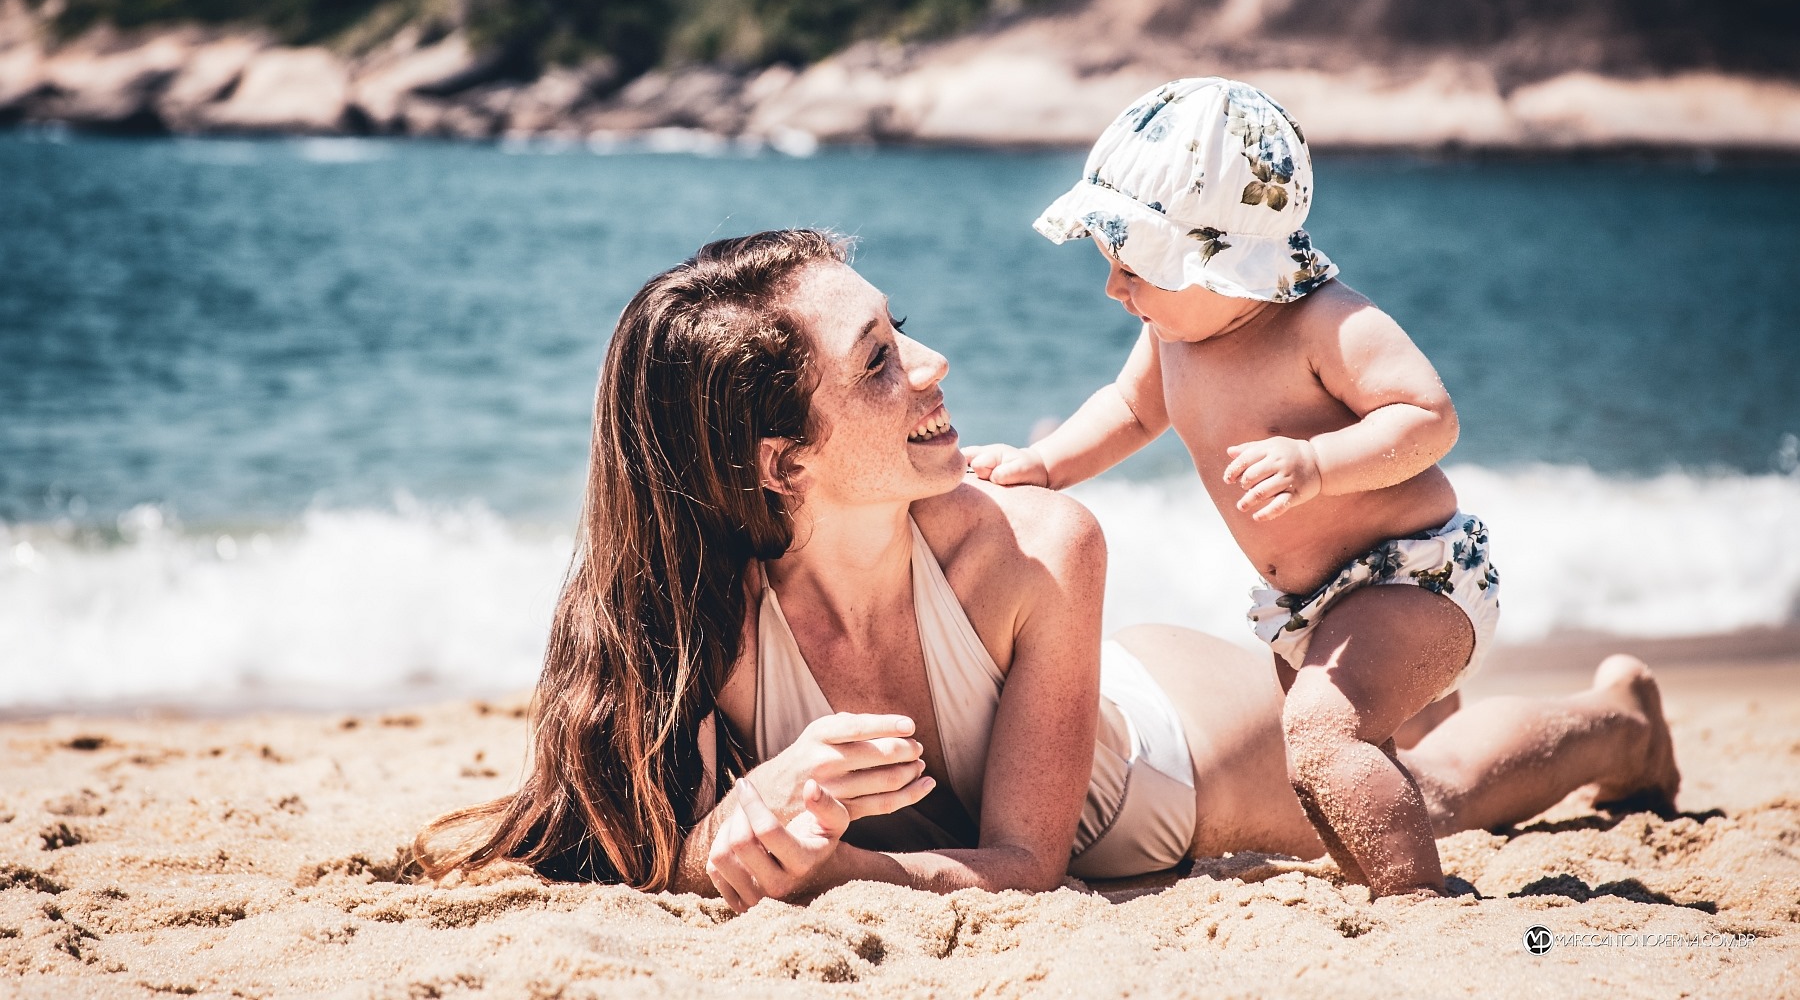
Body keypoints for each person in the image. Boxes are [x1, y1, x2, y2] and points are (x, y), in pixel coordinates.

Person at [417, 229, 1679, 909]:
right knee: (1416, 766)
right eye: (877, 362)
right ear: (776, 463)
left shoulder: (1037, 546)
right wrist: (734, 831)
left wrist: (838, 865)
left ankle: (1618, 724)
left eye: (898, 327)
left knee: (1419, 788)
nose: (936, 362)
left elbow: (1030, 868)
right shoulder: (683, 615)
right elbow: (640, 843)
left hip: (1165, 758)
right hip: (1073, 725)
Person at [965, 77, 1508, 896]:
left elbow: (1428, 417)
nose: (1114, 285)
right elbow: (1126, 409)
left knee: (1322, 737)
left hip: (1412, 575)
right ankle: (1548, 750)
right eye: (1109, 257)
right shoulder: (1173, 333)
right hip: (1306, 606)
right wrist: (1045, 467)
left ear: (1225, 262)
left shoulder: (1324, 323)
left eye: (1136, 263)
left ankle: (1421, 906)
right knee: (1327, 768)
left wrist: (1318, 465)